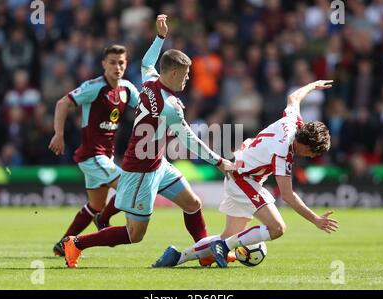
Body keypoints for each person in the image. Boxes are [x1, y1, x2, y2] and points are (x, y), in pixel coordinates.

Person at [61, 14, 235, 268]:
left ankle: (204, 253)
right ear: (174, 72)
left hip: (157, 163)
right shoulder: (171, 106)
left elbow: (147, 61)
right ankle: (76, 243)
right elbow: (190, 140)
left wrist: (160, 37)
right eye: (186, 75)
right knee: (135, 234)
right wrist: (219, 161)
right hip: (141, 170)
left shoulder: (149, 80)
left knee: (192, 203)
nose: (188, 79)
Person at [153, 80, 340, 268]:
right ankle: (224, 246)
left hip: (241, 174)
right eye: (311, 152)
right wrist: (315, 219)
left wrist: (311, 86)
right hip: (243, 179)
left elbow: (293, 98)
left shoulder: (294, 122)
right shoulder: (283, 151)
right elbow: (288, 195)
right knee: (277, 228)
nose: (310, 156)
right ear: (305, 144)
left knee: (229, 236)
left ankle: (177, 257)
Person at [48, 44, 140, 256]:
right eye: (113, 63)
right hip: (92, 155)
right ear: (103, 64)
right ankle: (103, 220)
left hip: (104, 156)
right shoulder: (94, 87)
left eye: (121, 63)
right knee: (128, 184)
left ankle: (63, 244)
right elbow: (63, 103)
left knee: (96, 204)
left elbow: (146, 106)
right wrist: (58, 134)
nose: (117, 67)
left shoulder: (127, 89)